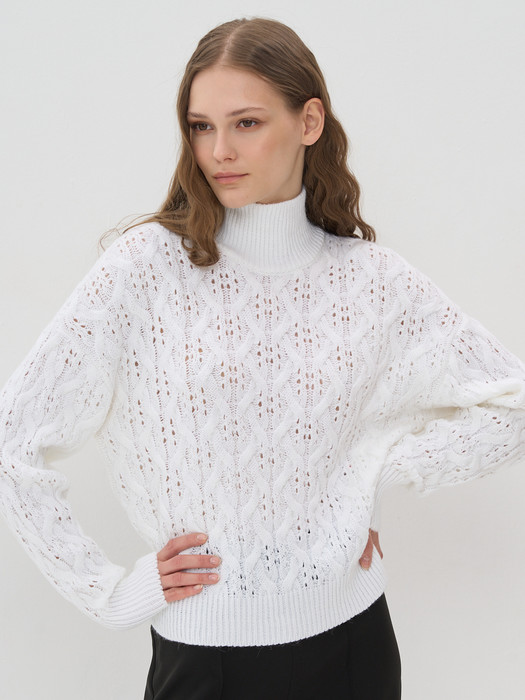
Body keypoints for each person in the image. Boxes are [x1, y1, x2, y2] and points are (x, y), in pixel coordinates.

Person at [0, 16, 524, 700]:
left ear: (309, 121)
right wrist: (110, 593)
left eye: (245, 123)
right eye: (200, 126)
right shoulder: (145, 270)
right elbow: (15, 437)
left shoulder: (372, 280)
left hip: (353, 646)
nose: (219, 150)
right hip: (204, 660)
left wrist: (373, 478)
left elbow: (511, 403)